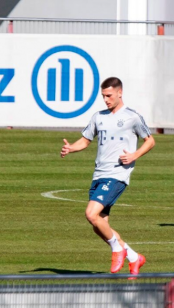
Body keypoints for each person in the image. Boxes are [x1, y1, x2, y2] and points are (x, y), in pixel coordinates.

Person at [60, 77, 155, 276]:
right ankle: (135, 257)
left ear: (120, 93)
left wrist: (134, 155)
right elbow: (85, 141)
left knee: (91, 213)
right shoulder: (98, 117)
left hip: (117, 174)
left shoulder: (132, 117)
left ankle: (117, 249)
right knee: (99, 225)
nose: (106, 100)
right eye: (103, 96)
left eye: (109, 96)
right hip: (99, 175)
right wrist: (71, 148)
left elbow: (150, 141)